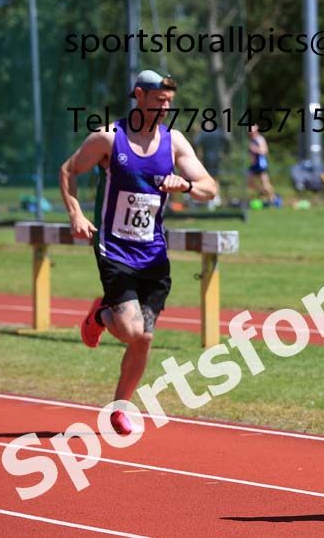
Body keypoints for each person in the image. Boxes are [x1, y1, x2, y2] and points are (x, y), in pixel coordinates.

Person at [59, 69, 217, 435]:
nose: (164, 108)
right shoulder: (108, 139)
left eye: (169, 103)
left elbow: (210, 187)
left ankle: (120, 407)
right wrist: (76, 214)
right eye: (159, 101)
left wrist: (188, 184)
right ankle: (100, 315)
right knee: (131, 329)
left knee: (144, 337)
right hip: (114, 246)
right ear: (139, 95)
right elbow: (68, 171)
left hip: (153, 251)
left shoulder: (174, 142)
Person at [193, 127, 230, 208]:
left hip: (207, 158)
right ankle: (216, 197)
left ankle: (211, 198)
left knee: (207, 179)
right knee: (215, 178)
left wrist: (196, 154)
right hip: (217, 158)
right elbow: (227, 141)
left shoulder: (203, 133)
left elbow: (195, 143)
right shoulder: (218, 132)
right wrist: (224, 151)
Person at [247, 124, 282, 207]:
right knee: (249, 182)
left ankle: (274, 199)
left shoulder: (260, 139)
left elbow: (264, 151)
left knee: (266, 184)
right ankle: (261, 191)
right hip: (254, 165)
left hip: (261, 164)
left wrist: (254, 149)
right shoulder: (252, 140)